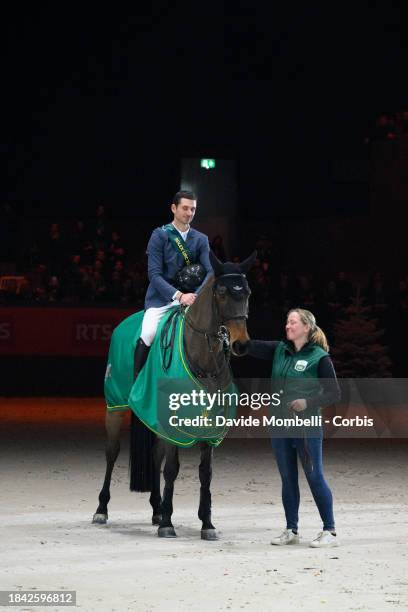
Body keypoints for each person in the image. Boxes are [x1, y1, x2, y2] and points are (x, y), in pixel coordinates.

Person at [248, 308, 341, 548]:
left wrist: (308, 403)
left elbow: (334, 393)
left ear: (306, 328)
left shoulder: (319, 357)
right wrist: (228, 337)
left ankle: (329, 531)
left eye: (292, 322)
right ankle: (291, 530)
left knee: (314, 476)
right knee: (288, 479)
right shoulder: (280, 350)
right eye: (287, 322)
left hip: (306, 428)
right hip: (280, 426)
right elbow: (248, 345)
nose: (288, 326)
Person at [134, 190, 212, 376]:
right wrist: (179, 296)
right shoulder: (159, 235)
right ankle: (137, 385)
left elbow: (210, 271)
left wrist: (197, 296)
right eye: (185, 208)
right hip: (161, 299)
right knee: (149, 333)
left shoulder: (201, 239)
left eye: (193, 209)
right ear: (173, 208)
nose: (189, 213)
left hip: (192, 299)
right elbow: (154, 275)